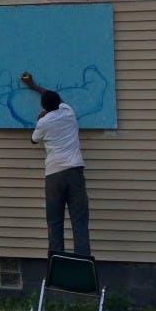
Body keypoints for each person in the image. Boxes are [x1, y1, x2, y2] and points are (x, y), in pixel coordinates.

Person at [21, 72, 91, 256]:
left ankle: (56, 264)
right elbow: (54, 97)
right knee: (80, 221)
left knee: (54, 221)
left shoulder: (43, 123)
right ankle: (83, 266)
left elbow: (34, 140)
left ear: (43, 107)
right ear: (59, 102)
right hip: (75, 171)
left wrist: (40, 118)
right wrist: (36, 87)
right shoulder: (68, 112)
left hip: (54, 175)